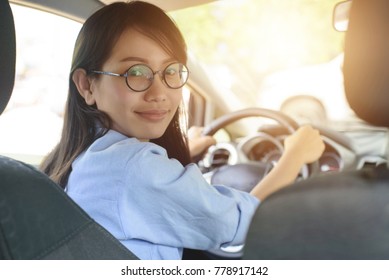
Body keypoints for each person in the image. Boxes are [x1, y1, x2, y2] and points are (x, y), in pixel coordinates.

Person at [40, 1, 324, 260]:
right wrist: (294, 156)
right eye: (136, 73)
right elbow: (239, 224)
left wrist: (186, 148)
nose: (159, 93)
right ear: (87, 85)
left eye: (172, 71)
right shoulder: (136, 167)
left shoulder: (84, 156)